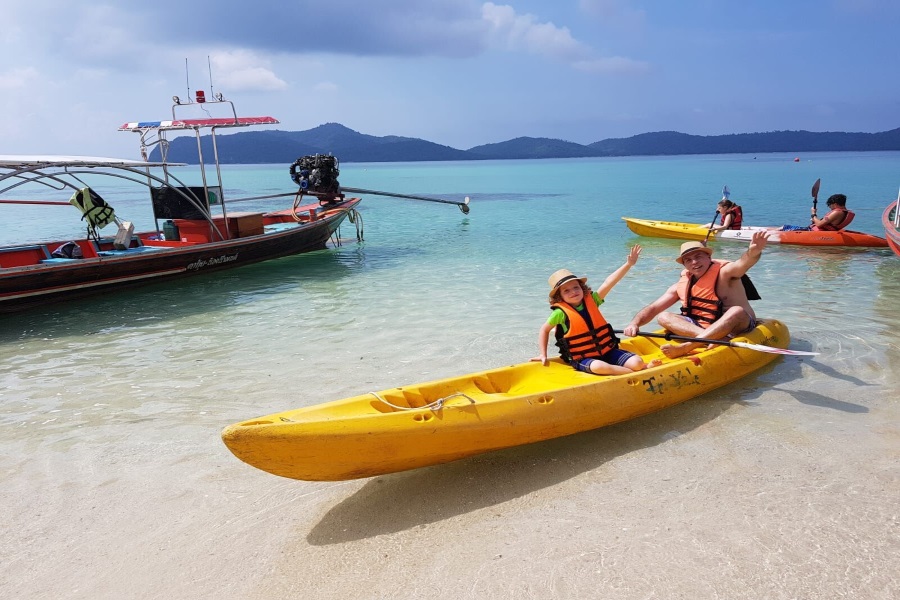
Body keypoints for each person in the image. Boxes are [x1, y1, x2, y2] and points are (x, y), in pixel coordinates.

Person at [622, 231, 769, 359]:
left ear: (708, 257)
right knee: (663, 317)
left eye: (698, 256)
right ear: (684, 265)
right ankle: (714, 338)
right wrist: (634, 323)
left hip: (738, 325)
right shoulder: (683, 283)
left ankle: (687, 347)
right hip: (703, 327)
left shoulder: (725, 273)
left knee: (736, 311)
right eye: (688, 260)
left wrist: (753, 252)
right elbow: (654, 308)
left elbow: (743, 264)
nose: (694, 262)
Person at [534, 246, 661, 375]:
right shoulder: (559, 313)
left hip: (607, 350)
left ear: (582, 288)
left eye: (576, 287)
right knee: (600, 367)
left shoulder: (593, 300)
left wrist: (628, 264)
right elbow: (544, 330)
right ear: (559, 297)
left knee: (637, 362)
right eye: (566, 290)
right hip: (583, 358)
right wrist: (542, 354)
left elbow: (609, 282)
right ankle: (638, 372)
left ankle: (640, 367)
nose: (573, 292)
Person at [781, 193, 854, 231]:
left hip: (816, 232)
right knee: (782, 227)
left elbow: (819, 224)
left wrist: (813, 214)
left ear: (835, 204)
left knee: (784, 227)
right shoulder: (845, 212)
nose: (830, 208)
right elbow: (823, 224)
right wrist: (814, 220)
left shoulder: (837, 212)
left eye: (830, 206)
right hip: (821, 230)